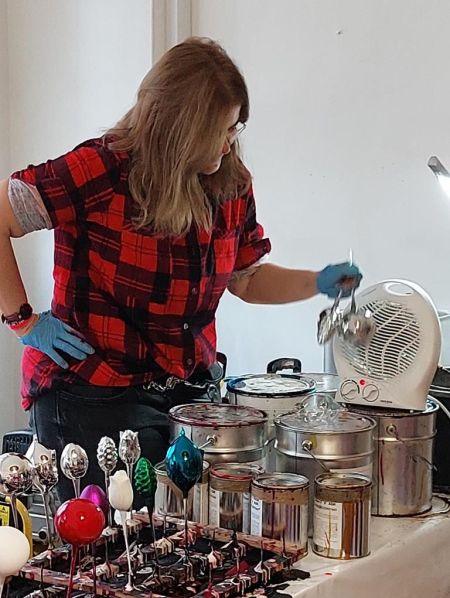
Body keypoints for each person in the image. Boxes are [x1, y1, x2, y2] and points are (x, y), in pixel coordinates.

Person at [0, 37, 361, 502]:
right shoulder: (101, 170)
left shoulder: (230, 182)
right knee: (118, 540)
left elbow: (247, 279)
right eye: (221, 130)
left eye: (235, 127)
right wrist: (23, 320)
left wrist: (317, 282)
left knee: (189, 535)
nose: (230, 142)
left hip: (186, 393)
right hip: (94, 392)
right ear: (180, 129)